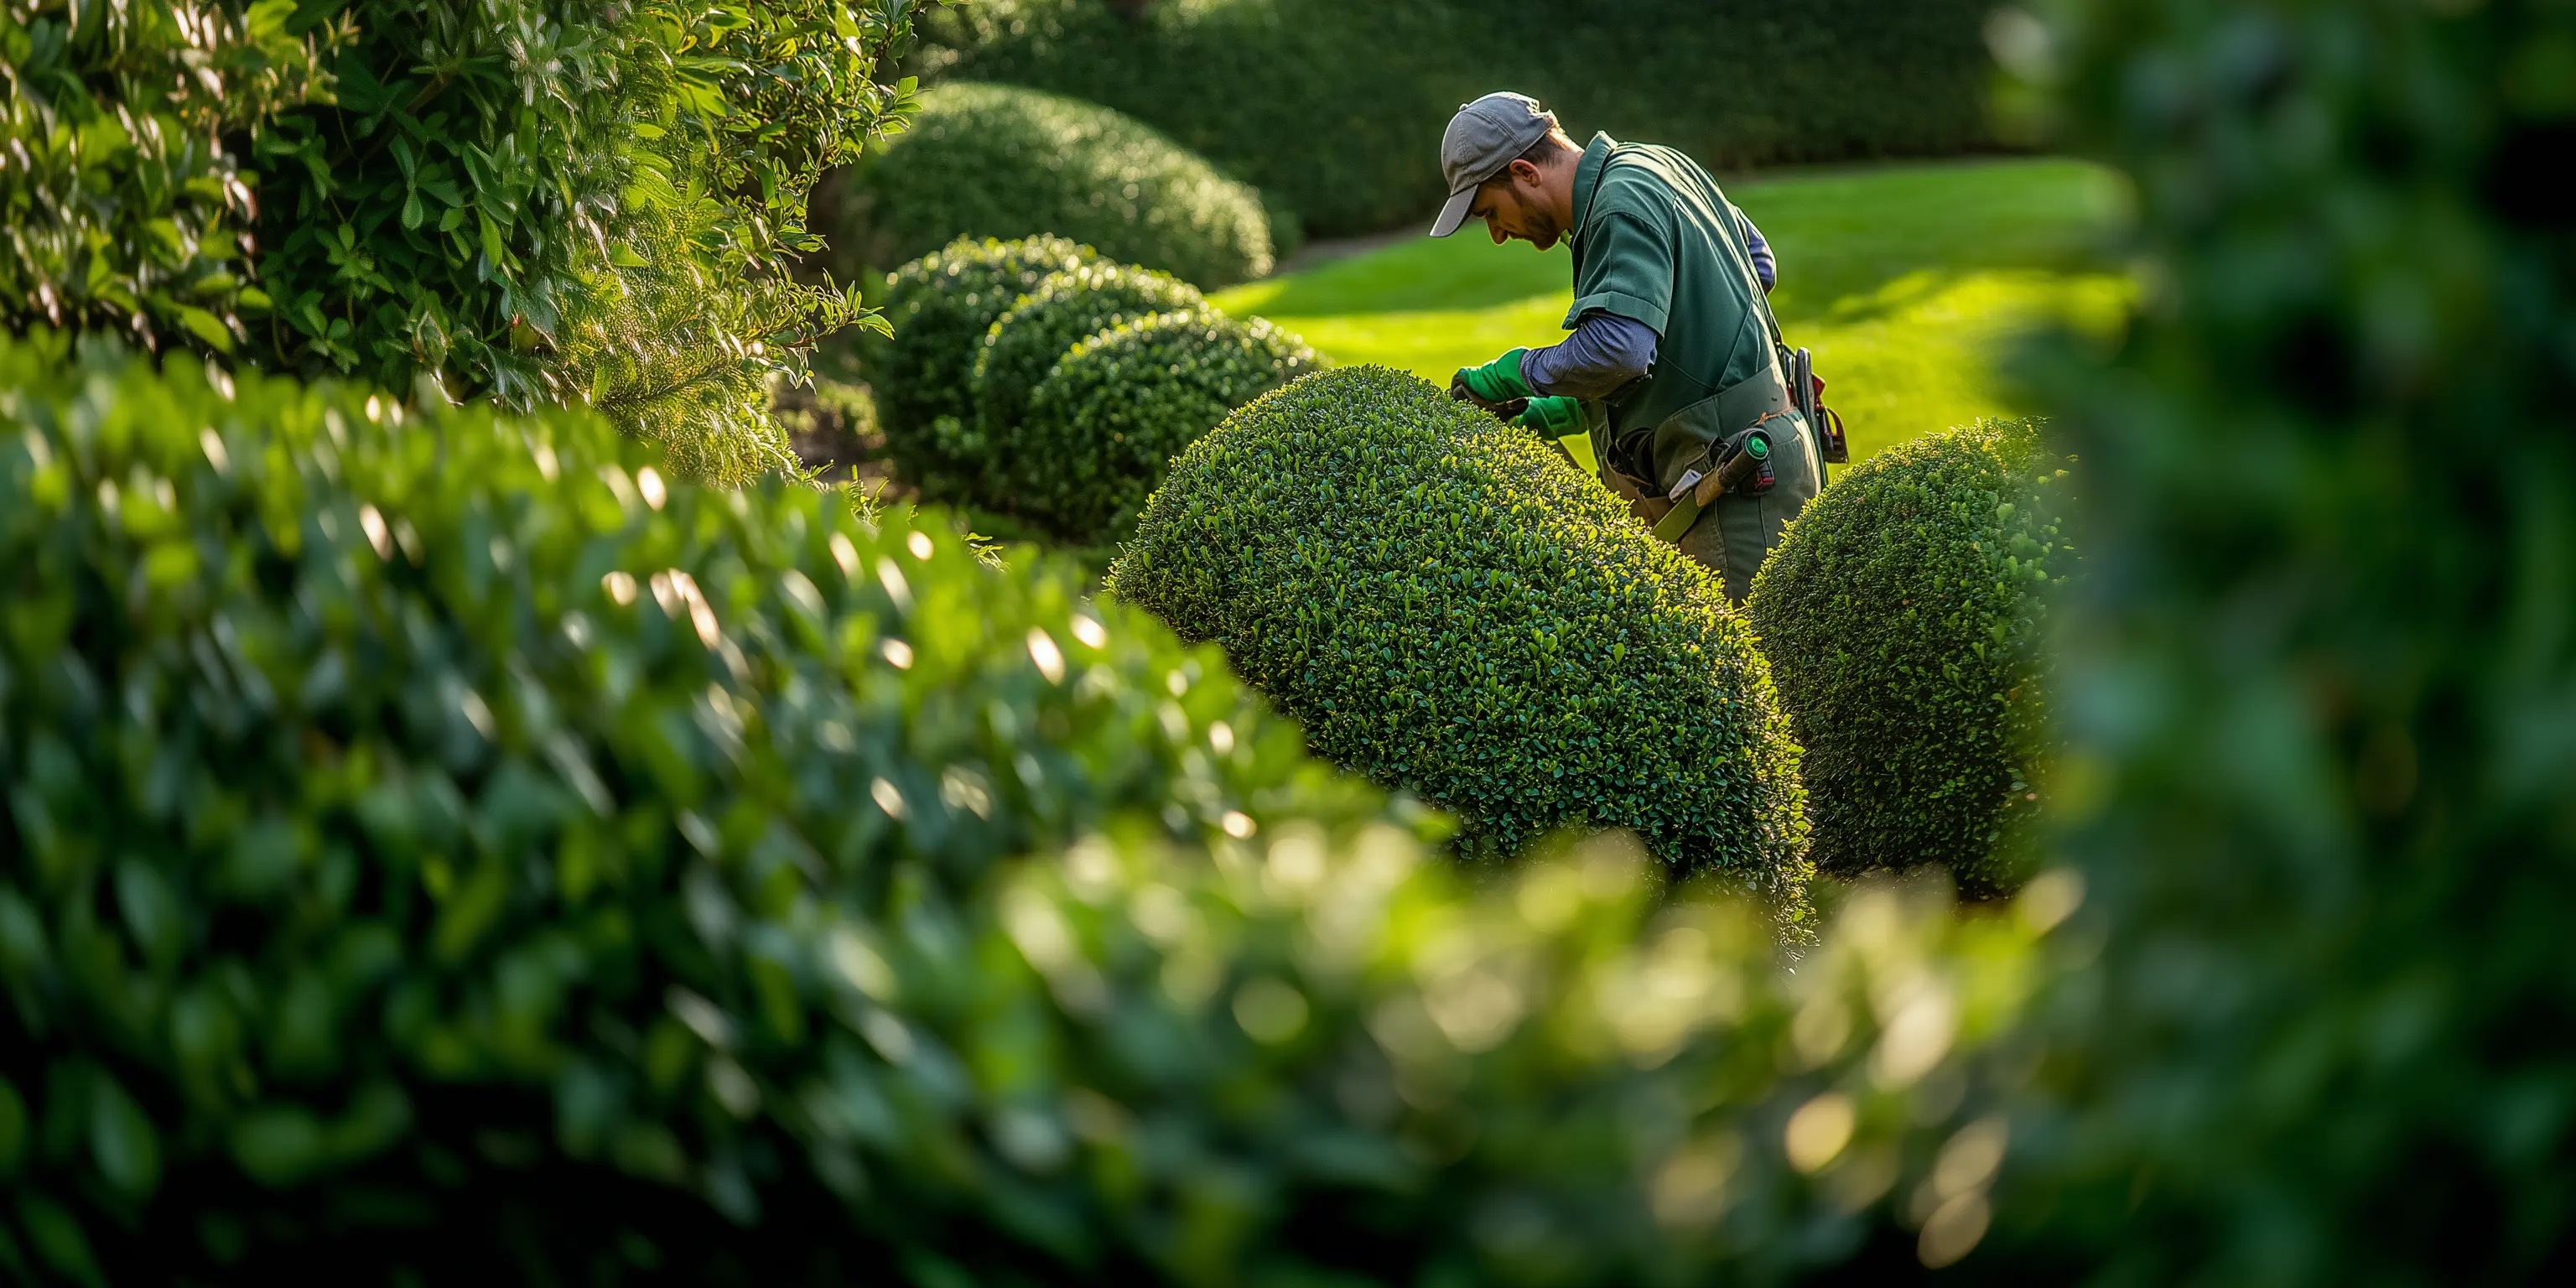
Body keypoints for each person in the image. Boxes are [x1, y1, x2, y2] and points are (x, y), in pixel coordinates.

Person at [1434, 92, 1816, 602]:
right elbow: (1756, 262)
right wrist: (1572, 405)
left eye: (1489, 212)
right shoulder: (1657, 162)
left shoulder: (1617, 202)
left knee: (1744, 653)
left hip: (1736, 488)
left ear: (1525, 173)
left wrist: (1516, 373)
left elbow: (1618, 351)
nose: (1497, 235)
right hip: (1750, 466)